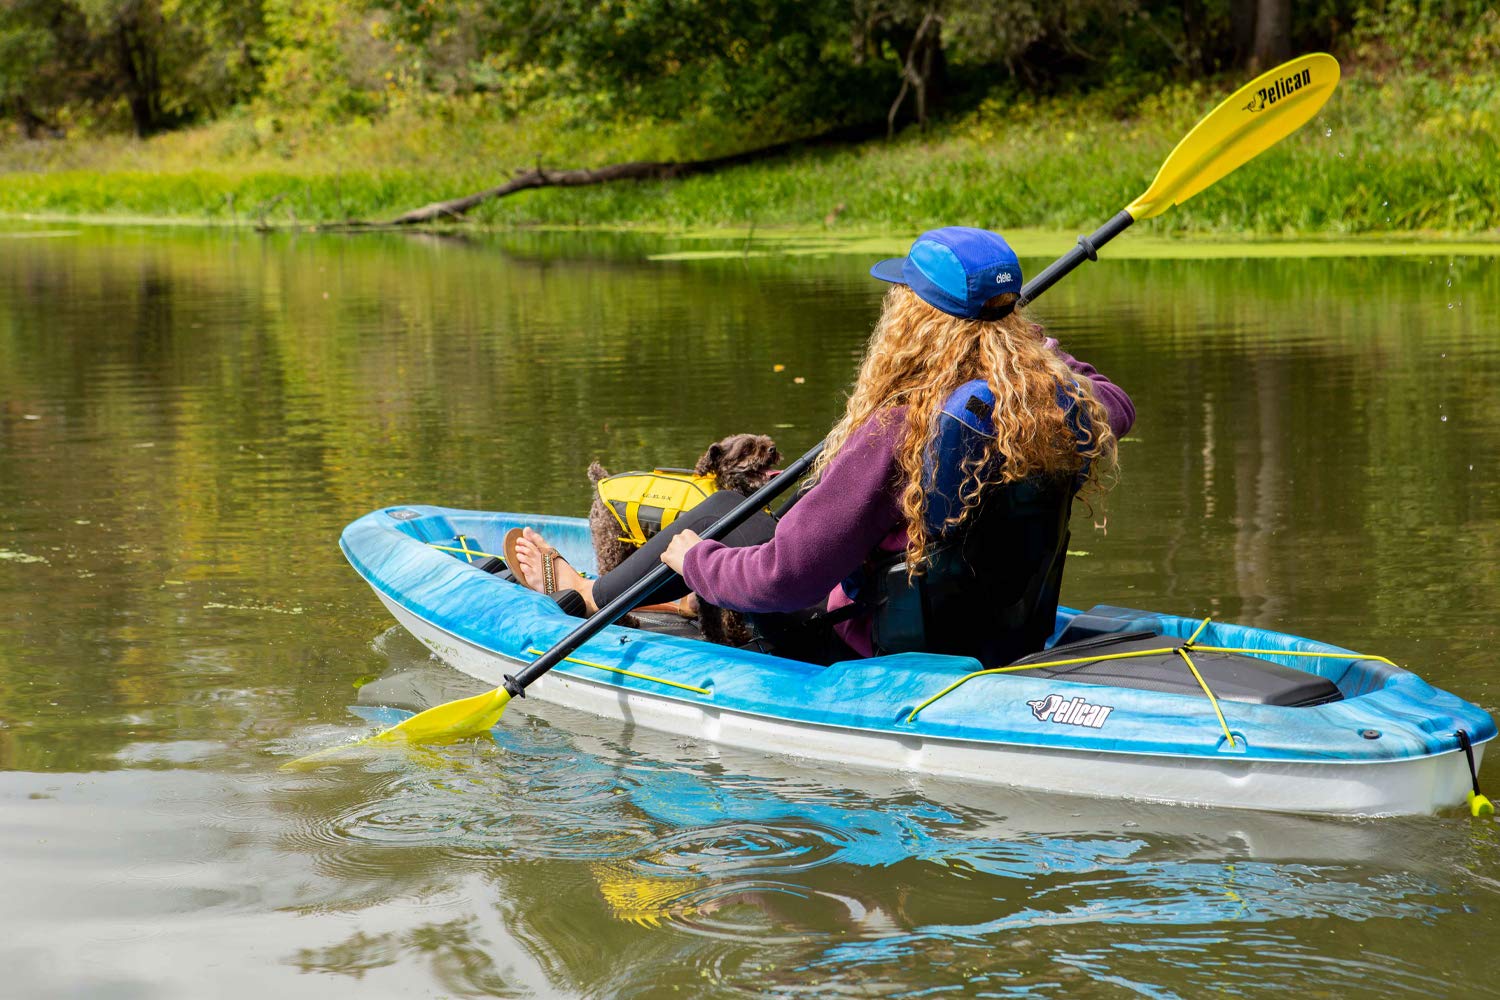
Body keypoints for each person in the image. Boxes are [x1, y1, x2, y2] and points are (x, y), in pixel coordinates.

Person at [511, 226, 1134, 666]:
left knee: (717, 517)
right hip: (997, 631)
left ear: (912, 321)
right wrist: (1021, 347)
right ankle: (672, 597)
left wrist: (694, 560)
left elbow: (786, 578)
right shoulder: (1053, 413)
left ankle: (595, 595)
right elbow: (1117, 401)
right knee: (749, 521)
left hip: (864, 645)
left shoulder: (899, 428)